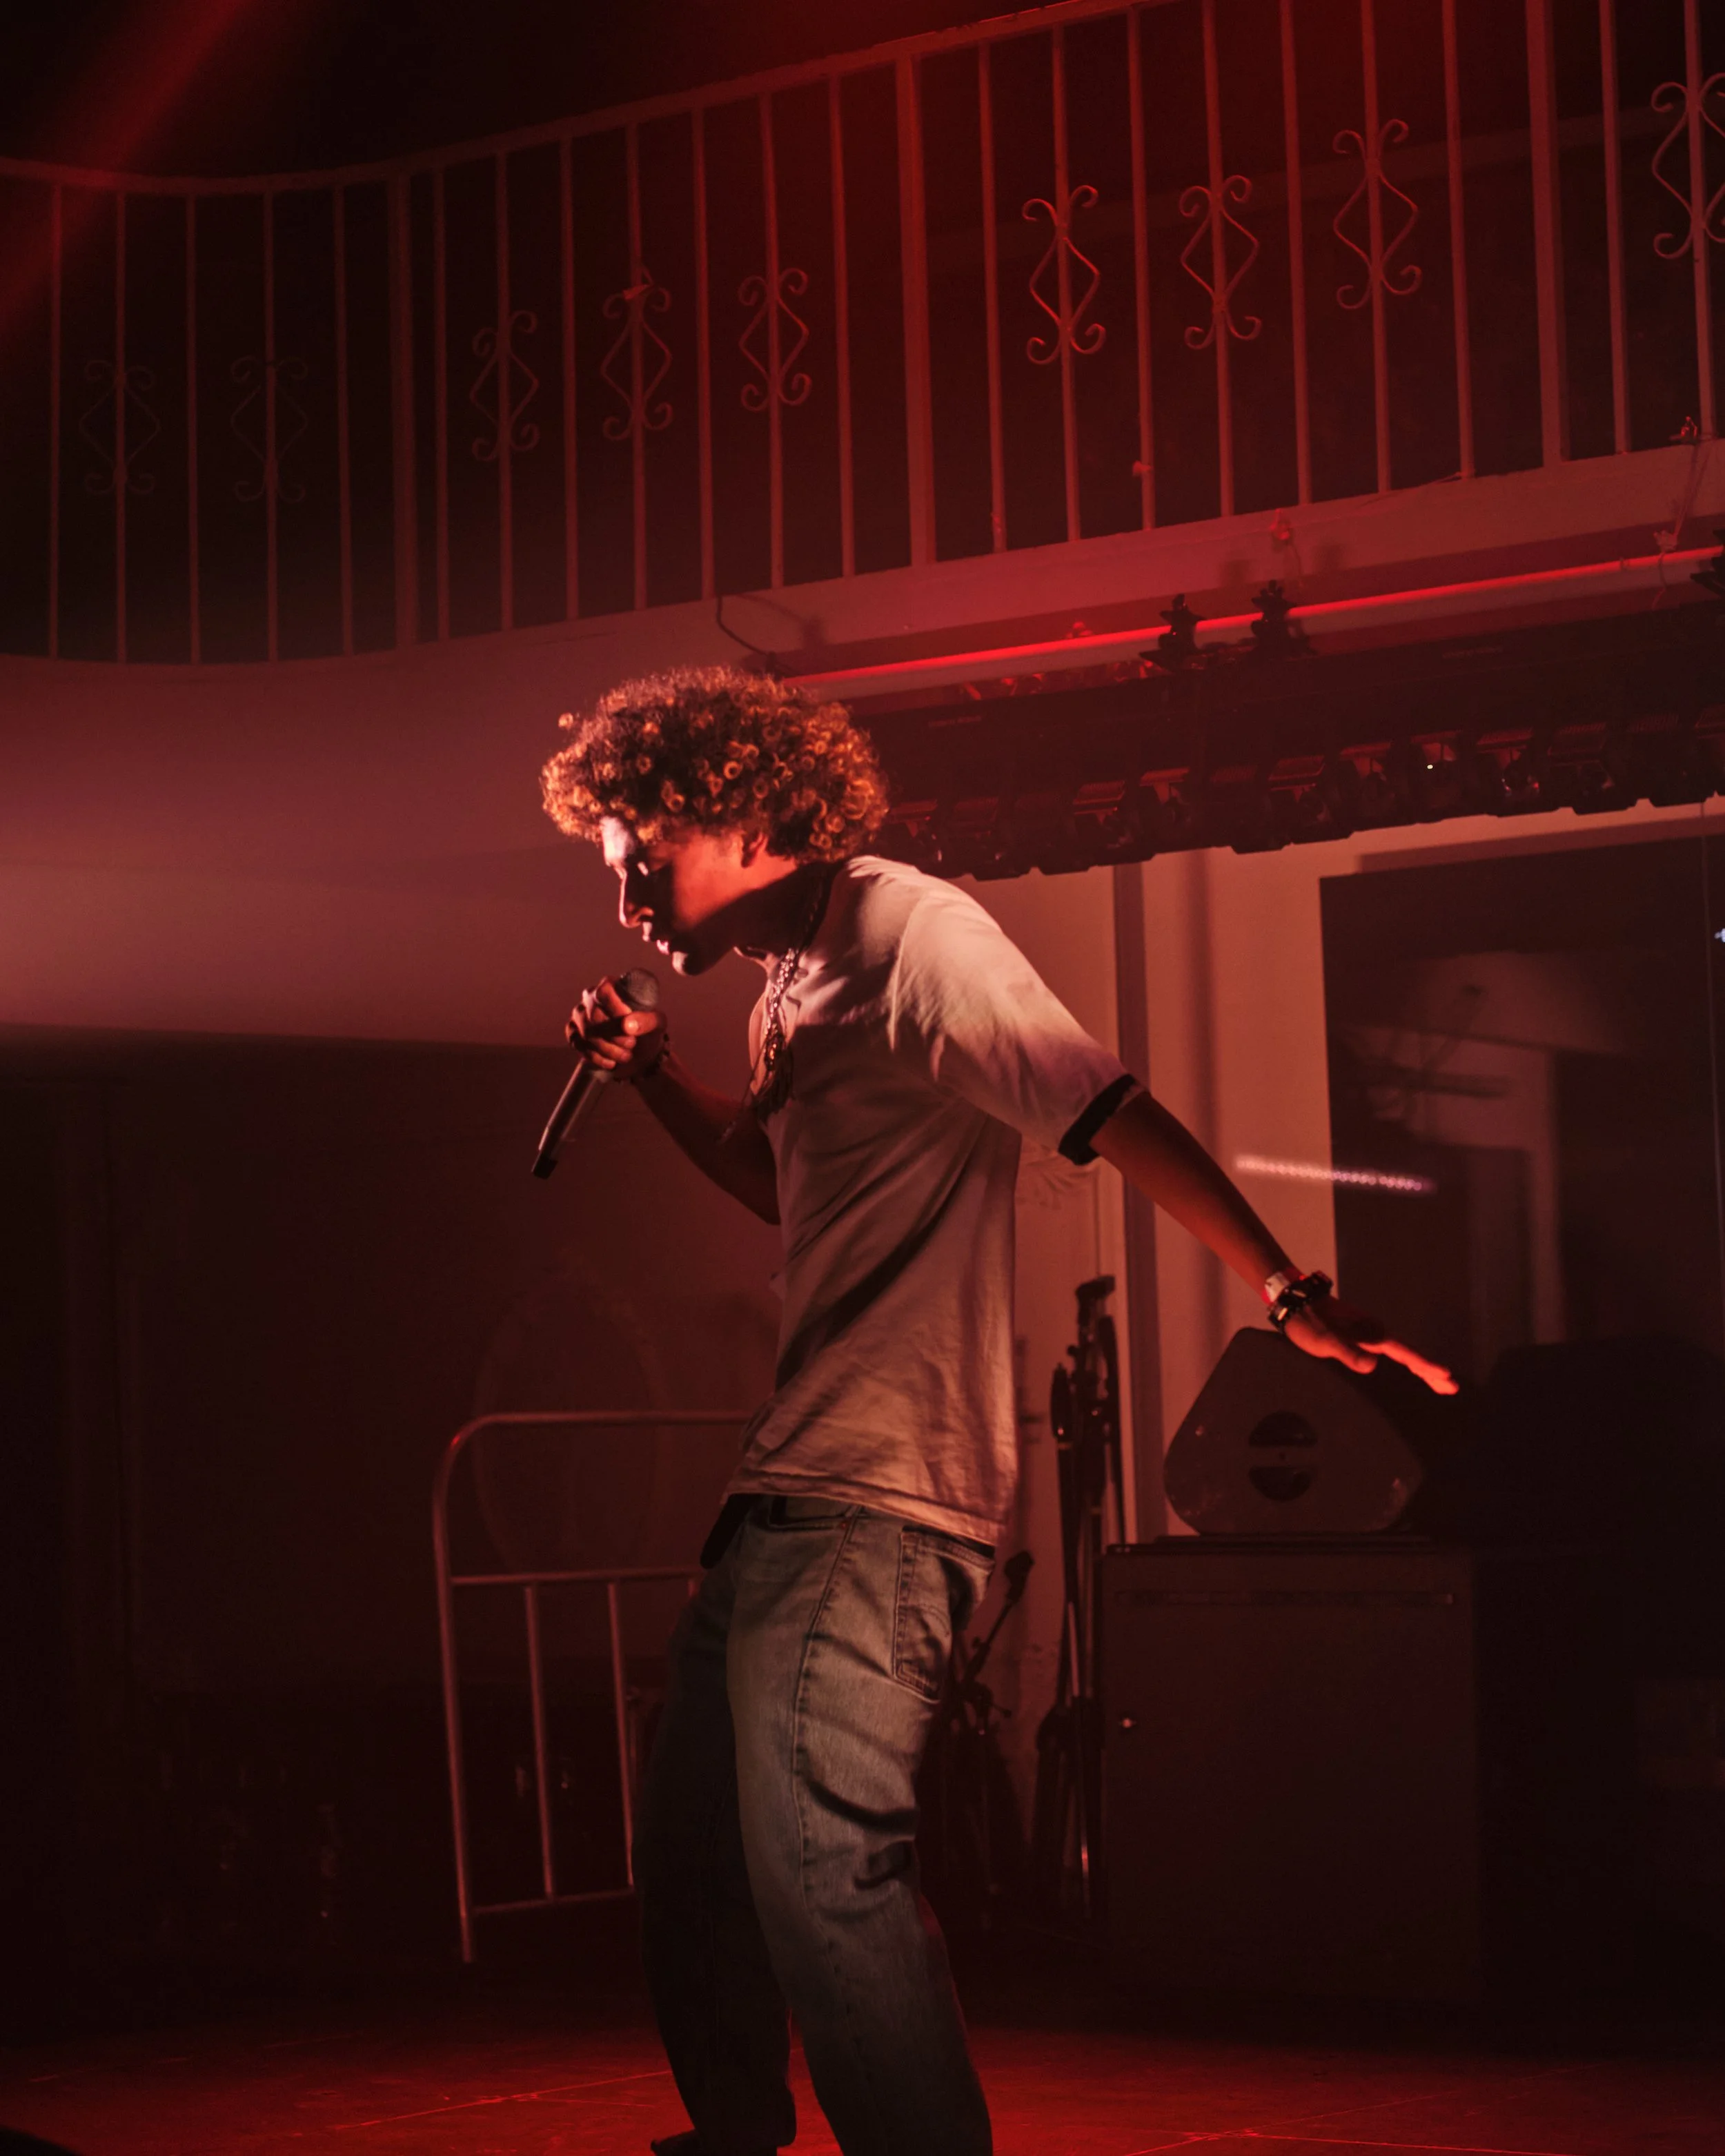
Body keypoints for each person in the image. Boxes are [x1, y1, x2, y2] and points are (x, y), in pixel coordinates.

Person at [542, 665, 1455, 2156]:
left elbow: (1105, 1108)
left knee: (823, 1863)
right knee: (698, 1847)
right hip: (790, 1484)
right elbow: (780, 1183)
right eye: (616, 866)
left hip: (877, 1495)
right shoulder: (793, 982)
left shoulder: (912, 933)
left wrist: (1285, 1291)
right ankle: (731, 2133)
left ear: (756, 815)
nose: (630, 892)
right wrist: (651, 1074)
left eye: (645, 853)